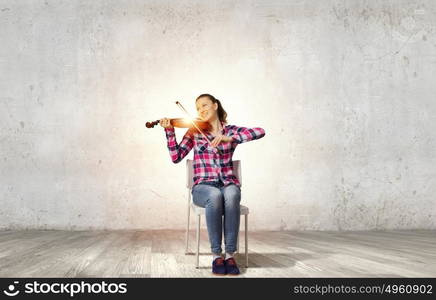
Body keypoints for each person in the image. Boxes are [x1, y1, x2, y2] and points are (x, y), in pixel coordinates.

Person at [160, 94, 265, 275]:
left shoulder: (230, 130)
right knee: (215, 196)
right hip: (203, 186)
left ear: (215, 105)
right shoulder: (194, 131)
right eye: (198, 108)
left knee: (231, 195)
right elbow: (176, 157)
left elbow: (260, 131)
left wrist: (230, 139)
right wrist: (169, 130)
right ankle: (217, 255)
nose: (201, 110)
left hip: (227, 182)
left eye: (204, 105)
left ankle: (230, 254)